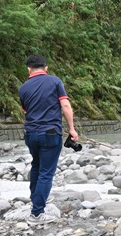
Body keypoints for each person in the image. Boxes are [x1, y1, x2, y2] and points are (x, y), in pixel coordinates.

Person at [18, 54, 78, 225]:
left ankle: (36, 197)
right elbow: (65, 105)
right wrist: (72, 129)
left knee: (36, 165)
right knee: (46, 172)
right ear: (46, 68)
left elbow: (26, 111)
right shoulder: (55, 81)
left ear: (28, 69)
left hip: (30, 133)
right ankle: (37, 214)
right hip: (51, 133)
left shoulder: (23, 88)